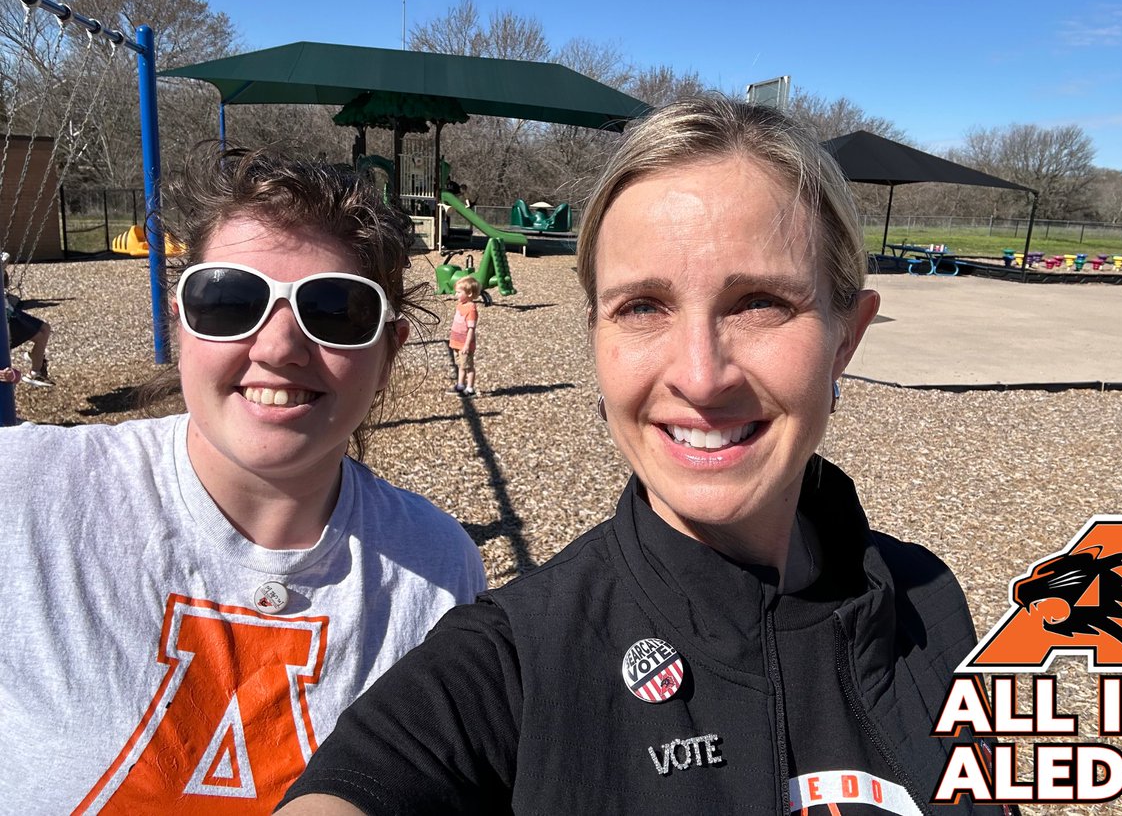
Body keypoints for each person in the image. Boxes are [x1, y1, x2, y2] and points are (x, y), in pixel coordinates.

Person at [279, 97, 1006, 815]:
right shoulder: (515, 661)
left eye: (758, 301)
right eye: (643, 308)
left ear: (847, 336)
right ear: (596, 339)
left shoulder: (929, 601)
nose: (699, 374)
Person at [0, 144, 487, 813]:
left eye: (336, 310)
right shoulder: (28, 495)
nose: (279, 346)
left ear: (387, 351)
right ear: (180, 322)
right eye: (230, 301)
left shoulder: (436, 569)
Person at [4, 261, 54, 386]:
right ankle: (35, 372)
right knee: (41, 335)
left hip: (9, 310)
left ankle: (35, 360)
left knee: (45, 329)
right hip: (6, 318)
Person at [448, 275, 480, 396]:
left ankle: (470, 389)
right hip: (457, 342)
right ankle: (460, 385)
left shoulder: (471, 309)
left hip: (464, 344)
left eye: (459, 292)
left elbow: (471, 329)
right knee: (461, 365)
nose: (456, 295)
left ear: (469, 293)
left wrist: (467, 345)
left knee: (468, 367)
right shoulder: (460, 305)